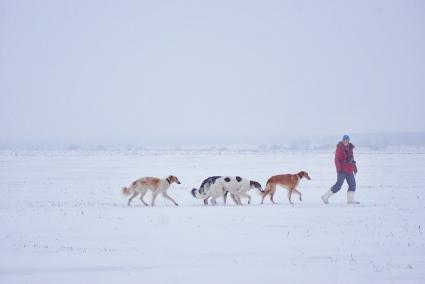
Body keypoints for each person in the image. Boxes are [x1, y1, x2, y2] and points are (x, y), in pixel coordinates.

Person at [322, 135, 359, 204]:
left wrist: (354, 167)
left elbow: (352, 159)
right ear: (342, 141)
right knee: (338, 185)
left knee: (352, 185)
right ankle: (325, 197)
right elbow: (336, 159)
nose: (345, 142)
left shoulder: (350, 148)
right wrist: (338, 169)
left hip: (349, 170)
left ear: (348, 141)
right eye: (344, 140)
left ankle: (350, 200)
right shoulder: (339, 148)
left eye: (347, 140)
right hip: (342, 170)